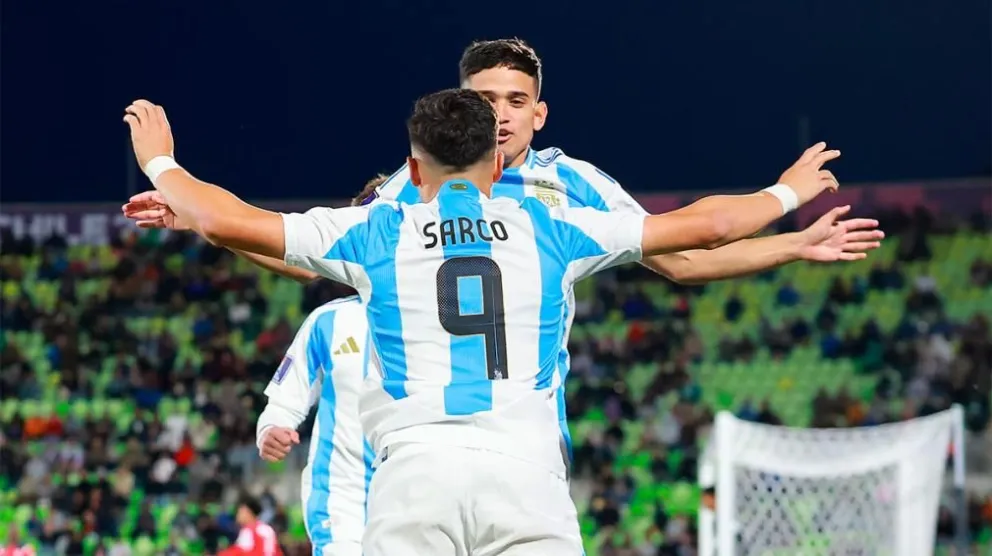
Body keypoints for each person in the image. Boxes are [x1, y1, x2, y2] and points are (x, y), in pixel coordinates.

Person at [121, 88, 845, 554]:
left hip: (414, 480)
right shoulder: (553, 226)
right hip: (527, 480)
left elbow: (229, 219)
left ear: (413, 169)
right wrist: (785, 193)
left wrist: (162, 165)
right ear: (496, 166)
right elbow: (704, 227)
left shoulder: (373, 232)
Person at [253, 175, 386, 556]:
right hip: (342, 503)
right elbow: (282, 405)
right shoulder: (328, 323)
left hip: (416, 500)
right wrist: (271, 430)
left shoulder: (440, 318)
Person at [217, 497, 283, 556]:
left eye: (240, 512)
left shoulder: (249, 530)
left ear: (248, 513)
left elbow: (239, 552)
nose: (237, 516)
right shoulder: (268, 528)